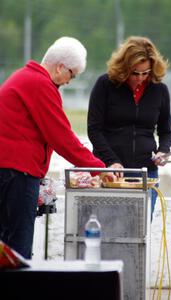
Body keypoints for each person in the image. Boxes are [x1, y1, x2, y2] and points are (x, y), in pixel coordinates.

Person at [0, 36, 115, 259]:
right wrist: (99, 168)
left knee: (6, 247)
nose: (69, 81)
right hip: (18, 174)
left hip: (8, 171)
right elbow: (62, 138)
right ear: (61, 67)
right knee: (18, 251)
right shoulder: (40, 84)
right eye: (72, 75)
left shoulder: (23, 77)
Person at [87, 36, 171, 218]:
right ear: (124, 67)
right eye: (135, 73)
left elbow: (165, 130)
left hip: (145, 174)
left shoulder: (160, 90)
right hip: (109, 172)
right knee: (108, 229)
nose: (140, 78)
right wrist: (111, 161)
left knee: (140, 233)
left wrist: (163, 151)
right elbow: (94, 129)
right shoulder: (105, 85)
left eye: (146, 73)